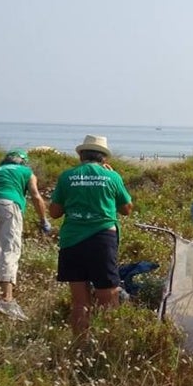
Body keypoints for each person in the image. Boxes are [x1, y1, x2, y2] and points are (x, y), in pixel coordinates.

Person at [49, 135, 133, 341]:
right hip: (102, 239)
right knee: (108, 296)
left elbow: (54, 212)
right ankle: (107, 344)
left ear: (81, 156)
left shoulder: (67, 176)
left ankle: (80, 345)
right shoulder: (112, 177)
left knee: (79, 301)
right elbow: (127, 209)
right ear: (104, 158)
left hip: (72, 241)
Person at [0, 149, 51, 321]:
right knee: (10, 250)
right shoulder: (26, 171)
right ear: (23, 162)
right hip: (8, 205)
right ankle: (6, 300)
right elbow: (36, 197)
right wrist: (43, 220)